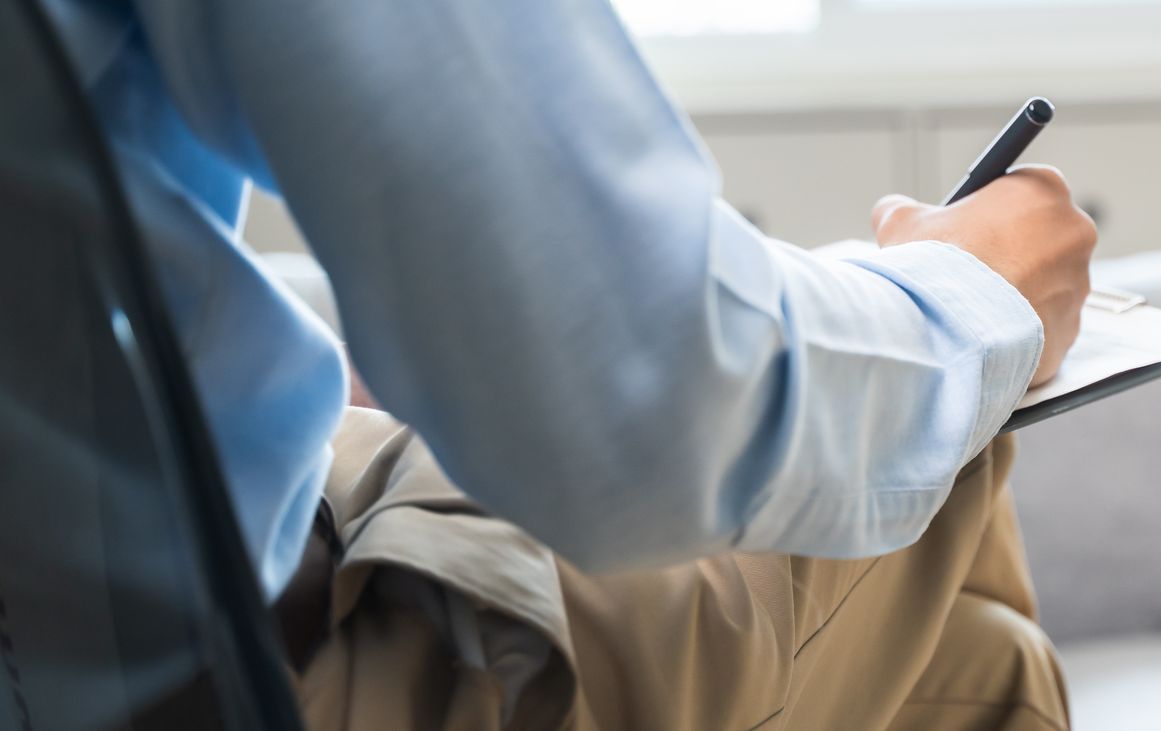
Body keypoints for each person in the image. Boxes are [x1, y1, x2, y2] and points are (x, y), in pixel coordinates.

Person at [20, 0, 1094, 728]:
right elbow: (652, 397)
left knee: (966, 651)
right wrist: (972, 290)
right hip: (238, 677)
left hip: (110, 588)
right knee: (974, 595)